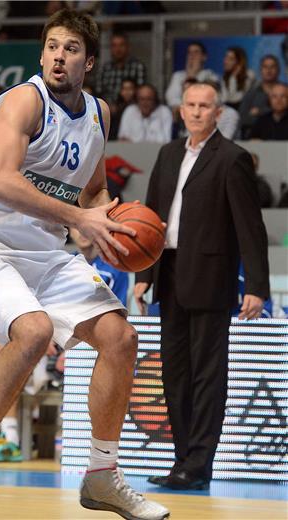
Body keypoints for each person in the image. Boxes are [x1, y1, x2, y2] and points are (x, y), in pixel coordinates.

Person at [0, 10, 169, 520]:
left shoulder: (99, 113)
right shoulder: (24, 100)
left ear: (89, 61)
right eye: (51, 46)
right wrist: (78, 219)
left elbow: (93, 190)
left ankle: (102, 476)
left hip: (48, 252)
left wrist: (106, 226)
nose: (57, 57)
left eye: (70, 49)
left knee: (121, 339)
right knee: (33, 332)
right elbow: (0, 180)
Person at [133, 82, 269, 491]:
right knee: (174, 374)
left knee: (207, 375)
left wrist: (257, 287)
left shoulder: (233, 158)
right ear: (180, 110)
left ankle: (199, 464)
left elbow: (251, 229)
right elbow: (151, 217)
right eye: (190, 105)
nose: (196, 112)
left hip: (212, 278)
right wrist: (143, 275)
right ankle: (182, 461)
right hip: (169, 275)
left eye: (204, 106)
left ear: (218, 112)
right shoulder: (168, 153)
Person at [165, 42, 218, 112]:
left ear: (204, 57)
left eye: (196, 52)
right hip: (181, 114)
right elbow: (171, 98)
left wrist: (192, 75)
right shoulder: (178, 75)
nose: (192, 56)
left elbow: (210, 97)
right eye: (189, 53)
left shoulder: (210, 75)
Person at [95, 33, 146, 106]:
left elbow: (141, 93)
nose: (118, 49)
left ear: (128, 47)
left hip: (132, 109)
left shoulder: (138, 66)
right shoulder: (104, 69)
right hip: (107, 109)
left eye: (121, 45)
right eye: (114, 45)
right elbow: (98, 92)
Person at [238, 55, 281, 139]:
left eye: (272, 67)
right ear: (260, 70)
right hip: (254, 139)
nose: (269, 70)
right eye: (265, 67)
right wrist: (274, 114)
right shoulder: (251, 93)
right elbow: (242, 119)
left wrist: (259, 112)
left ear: (278, 70)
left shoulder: (285, 91)